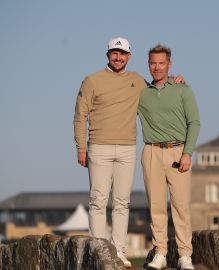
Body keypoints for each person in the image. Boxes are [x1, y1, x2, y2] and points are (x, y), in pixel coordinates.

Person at [73, 37, 184, 268]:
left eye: (122, 54)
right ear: (107, 55)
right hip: (99, 147)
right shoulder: (92, 81)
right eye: (114, 53)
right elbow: (80, 116)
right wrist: (81, 147)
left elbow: (158, 88)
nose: (118, 57)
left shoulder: (136, 81)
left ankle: (120, 251)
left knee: (123, 202)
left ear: (129, 57)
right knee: (98, 200)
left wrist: (175, 81)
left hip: (127, 148)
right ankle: (100, 251)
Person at [139, 44, 200, 270]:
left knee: (180, 205)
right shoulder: (142, 93)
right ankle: (160, 253)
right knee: (156, 206)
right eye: (153, 63)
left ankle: (185, 255)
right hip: (151, 151)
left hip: (178, 151)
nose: (157, 67)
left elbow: (194, 122)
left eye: (161, 63)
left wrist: (187, 152)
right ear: (149, 65)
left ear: (169, 64)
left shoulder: (183, 90)